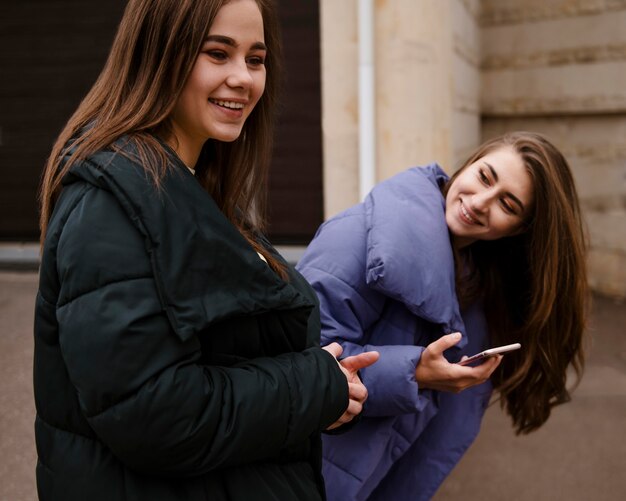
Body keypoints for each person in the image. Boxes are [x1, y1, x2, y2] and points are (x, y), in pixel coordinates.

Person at [34, 1, 378, 499]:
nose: (243, 78)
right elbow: (154, 415)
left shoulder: (192, 187)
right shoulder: (111, 203)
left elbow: (228, 358)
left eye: (255, 59)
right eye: (218, 53)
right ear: (158, 55)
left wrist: (330, 395)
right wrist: (314, 387)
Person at [296, 131, 589, 501]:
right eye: (485, 176)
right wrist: (413, 372)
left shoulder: (476, 274)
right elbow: (301, 359)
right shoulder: (356, 236)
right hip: (310, 475)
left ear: (520, 231)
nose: (481, 202)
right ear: (469, 163)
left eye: (508, 205)